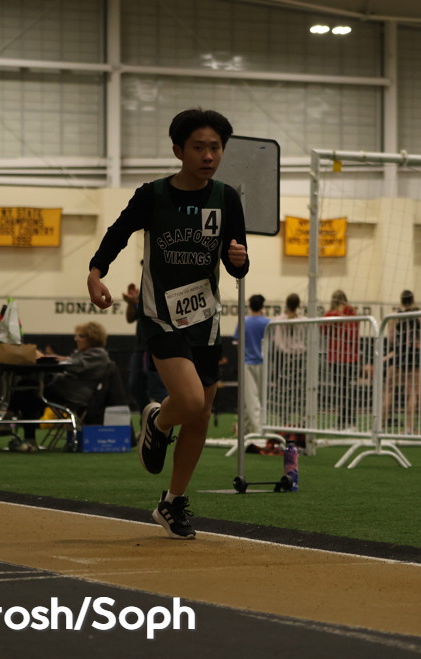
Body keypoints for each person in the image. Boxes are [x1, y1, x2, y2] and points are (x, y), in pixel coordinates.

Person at [87, 108, 249, 539]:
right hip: (161, 315)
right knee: (190, 400)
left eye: (215, 147)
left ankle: (172, 502)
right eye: (199, 147)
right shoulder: (153, 195)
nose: (209, 156)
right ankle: (158, 421)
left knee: (199, 417)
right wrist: (96, 272)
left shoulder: (227, 199)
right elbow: (119, 232)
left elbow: (236, 263)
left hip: (206, 319)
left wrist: (239, 260)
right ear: (179, 151)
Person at [5, 322, 119, 451]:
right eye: (76, 336)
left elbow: (74, 365)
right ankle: (15, 423)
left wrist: (48, 358)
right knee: (27, 388)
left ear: (93, 338)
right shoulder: (83, 352)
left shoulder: (98, 354)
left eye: (81, 336)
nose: (76, 339)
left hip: (72, 394)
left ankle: (11, 420)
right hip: (64, 390)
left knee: (28, 390)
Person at [393, 291, 421, 434]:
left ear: (401, 300)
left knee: (412, 392)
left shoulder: (397, 315)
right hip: (416, 354)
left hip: (403, 354)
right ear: (413, 299)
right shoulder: (418, 313)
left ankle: (409, 427)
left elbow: (392, 338)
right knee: (419, 391)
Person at [233, 294, 271, 436]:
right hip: (262, 363)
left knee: (250, 398)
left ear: (249, 306)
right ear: (262, 306)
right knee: (257, 399)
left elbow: (237, 342)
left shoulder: (243, 322)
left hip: (246, 363)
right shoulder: (267, 323)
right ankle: (257, 431)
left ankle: (247, 429)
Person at [322, 289, 359, 429]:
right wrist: (338, 315)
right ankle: (343, 421)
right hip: (338, 357)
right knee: (342, 390)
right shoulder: (330, 315)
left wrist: (341, 316)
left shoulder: (350, 312)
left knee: (345, 390)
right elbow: (323, 329)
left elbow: (352, 333)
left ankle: (348, 421)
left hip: (347, 357)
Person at [270, 293, 306, 423]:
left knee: (283, 388)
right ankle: (302, 416)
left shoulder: (278, 320)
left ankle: (284, 417)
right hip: (297, 356)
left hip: (284, 356)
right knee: (299, 387)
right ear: (298, 305)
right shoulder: (303, 320)